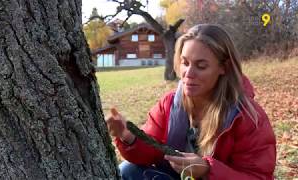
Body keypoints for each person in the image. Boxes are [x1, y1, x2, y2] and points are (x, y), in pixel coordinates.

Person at [106, 24, 276, 180]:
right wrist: (127, 136)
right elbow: (152, 152)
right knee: (127, 170)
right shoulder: (169, 104)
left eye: (201, 66)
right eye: (185, 63)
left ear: (224, 67)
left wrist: (207, 170)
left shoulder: (248, 118)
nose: (188, 73)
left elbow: (258, 176)